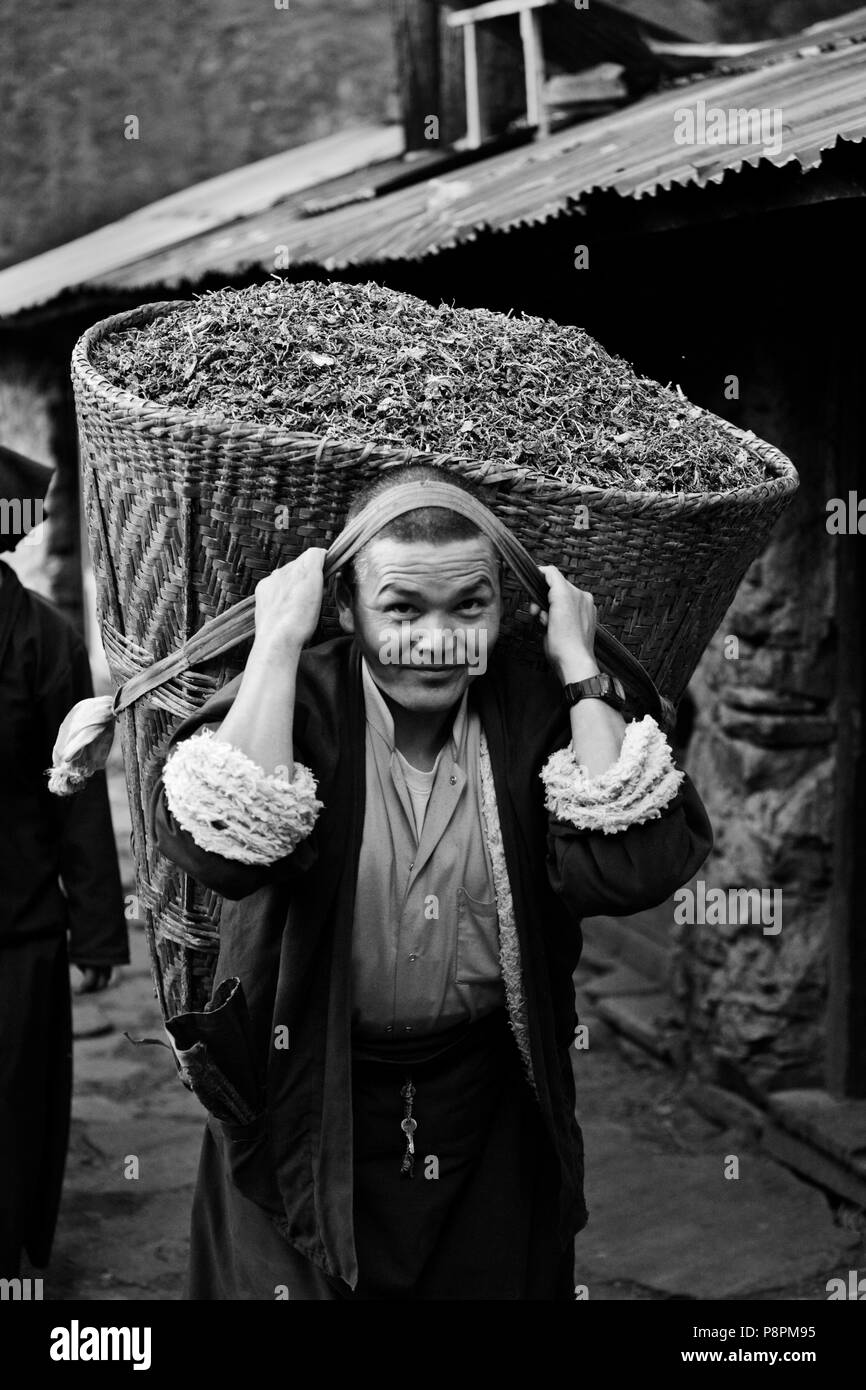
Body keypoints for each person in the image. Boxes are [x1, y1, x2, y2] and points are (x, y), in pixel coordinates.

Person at [150, 463, 713, 1301]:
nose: (438, 639)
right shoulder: (297, 702)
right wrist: (275, 642)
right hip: (306, 1091)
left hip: (487, 1106)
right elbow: (226, 851)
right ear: (345, 609)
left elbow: (630, 866)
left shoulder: (534, 712)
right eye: (401, 609)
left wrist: (578, 665)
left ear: (505, 608)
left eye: (469, 607)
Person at [0, 448, 129, 1277]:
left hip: (19, 929)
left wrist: (95, 933)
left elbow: (77, 794)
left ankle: (13, 1260)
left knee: (16, 1104)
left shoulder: (46, 639)